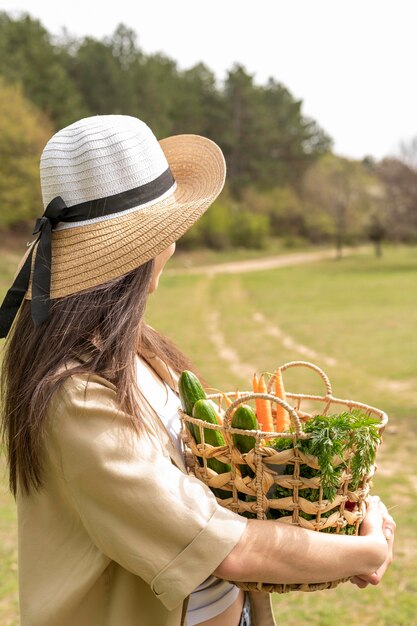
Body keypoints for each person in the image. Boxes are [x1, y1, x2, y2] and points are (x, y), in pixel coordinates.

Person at [0, 115, 395, 626]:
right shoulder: (75, 395)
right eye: (170, 231)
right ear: (141, 251)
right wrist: (366, 553)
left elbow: (217, 482)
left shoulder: (135, 350)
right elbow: (222, 545)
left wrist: (344, 515)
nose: (175, 243)